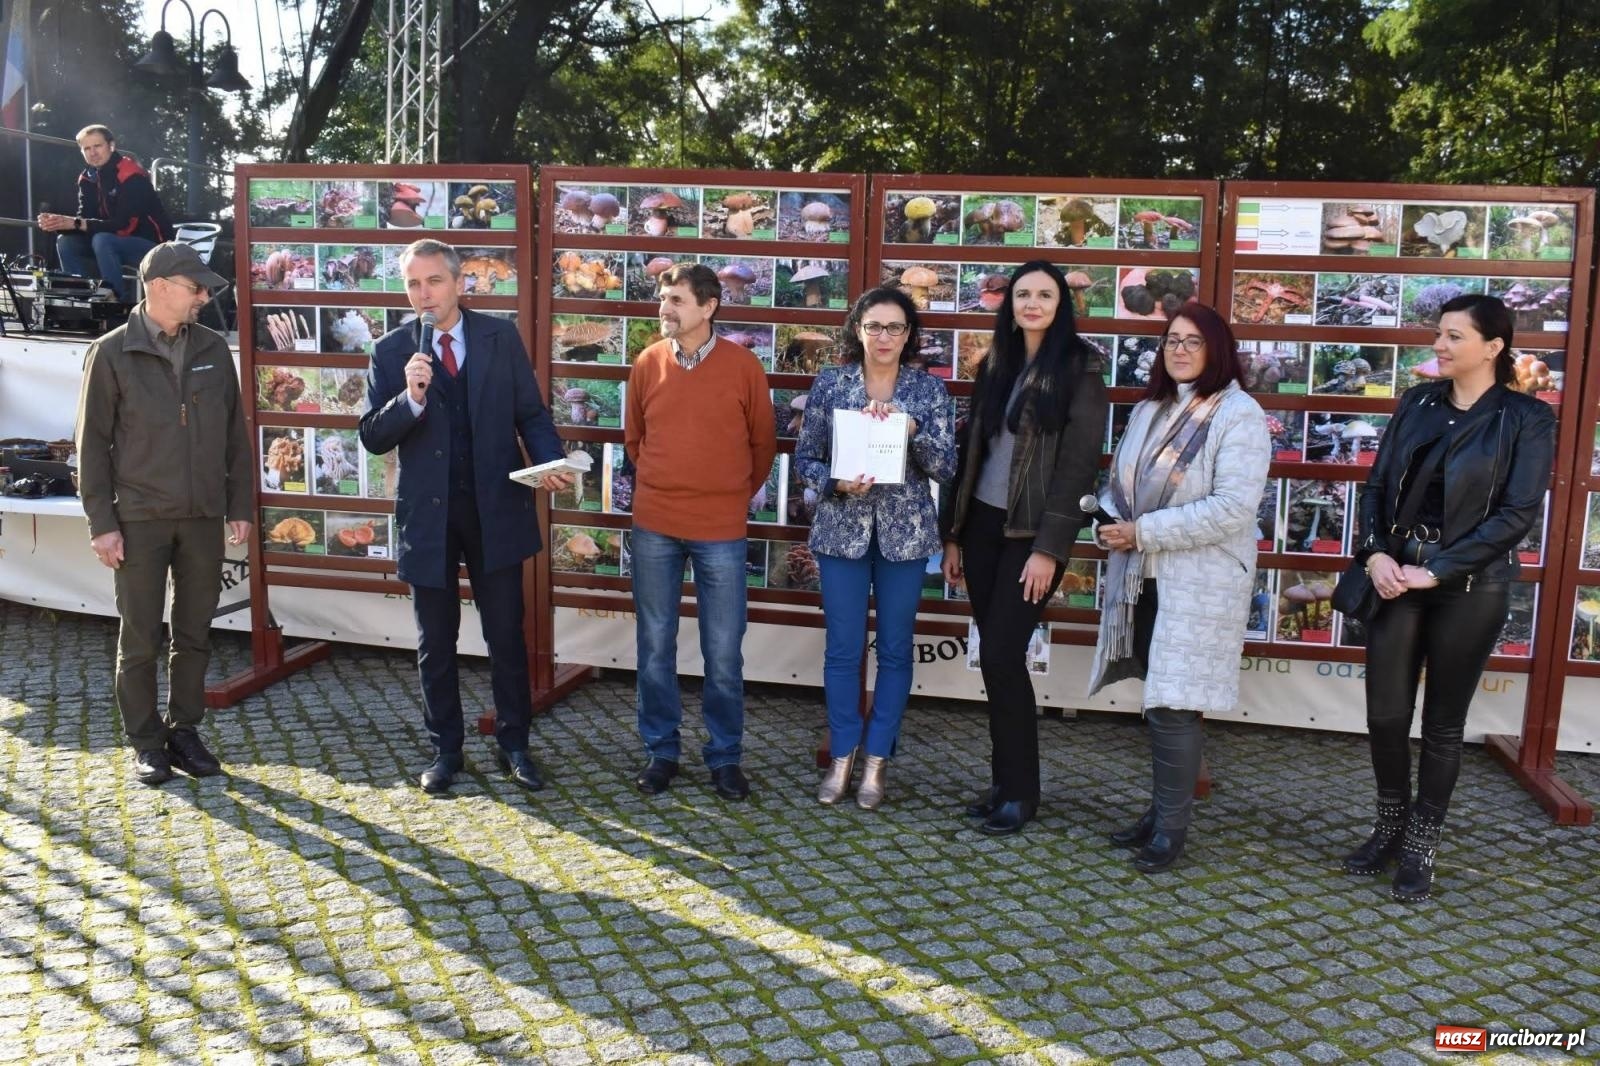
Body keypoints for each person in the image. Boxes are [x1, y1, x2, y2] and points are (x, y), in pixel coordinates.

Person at [1345, 293, 1555, 902]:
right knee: (1385, 715)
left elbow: (1516, 514)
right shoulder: (1417, 403)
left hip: (1471, 587)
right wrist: (1375, 554)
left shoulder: (1526, 417)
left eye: (1454, 336)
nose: (1439, 345)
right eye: (1439, 333)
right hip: (1395, 576)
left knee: (1442, 724)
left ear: (1493, 347)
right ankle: (1390, 823)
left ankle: (1421, 842)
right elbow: (1376, 486)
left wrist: (1435, 570)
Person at [358, 239, 573, 796]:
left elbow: (530, 413)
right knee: (436, 640)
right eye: (413, 284)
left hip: (494, 508)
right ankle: (446, 750)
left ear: (459, 283)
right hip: (429, 517)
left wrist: (550, 462)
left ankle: (515, 744)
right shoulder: (391, 351)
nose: (423, 293)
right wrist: (410, 397)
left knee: (506, 634)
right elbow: (373, 436)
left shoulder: (499, 337)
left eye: (434, 281)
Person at [1087, 302, 1271, 873]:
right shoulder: (1150, 408)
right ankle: (1160, 812)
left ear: (1217, 349)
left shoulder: (1238, 413)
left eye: (1194, 341)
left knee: (1174, 705)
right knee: (1161, 697)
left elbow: (1233, 507)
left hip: (1200, 578)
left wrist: (1142, 532)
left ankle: (1171, 829)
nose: (1180, 350)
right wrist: (1109, 522)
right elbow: (1121, 486)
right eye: (1172, 340)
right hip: (1145, 575)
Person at [939, 260, 1109, 836]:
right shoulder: (998, 362)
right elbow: (972, 454)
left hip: (1031, 536)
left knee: (1003, 654)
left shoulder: (1081, 368)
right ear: (1009, 304)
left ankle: (1021, 793)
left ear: (1061, 305)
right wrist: (954, 534)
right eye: (1022, 294)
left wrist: (1049, 548)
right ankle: (1003, 783)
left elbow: (1079, 467)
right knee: (995, 657)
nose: (1032, 303)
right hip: (982, 528)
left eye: (1044, 295)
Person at [73, 243, 248, 785]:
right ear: (159, 287)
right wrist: (102, 524)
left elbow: (235, 435)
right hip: (139, 518)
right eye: (195, 287)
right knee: (141, 638)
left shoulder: (214, 348)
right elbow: (91, 445)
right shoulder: (110, 352)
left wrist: (239, 504)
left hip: (202, 516)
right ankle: (147, 743)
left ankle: (185, 731)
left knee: (194, 633)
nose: (204, 296)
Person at [793, 287, 956, 809]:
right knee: (843, 649)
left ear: (909, 335)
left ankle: (878, 759)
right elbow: (805, 458)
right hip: (841, 532)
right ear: (858, 330)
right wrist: (836, 483)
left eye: (895, 327)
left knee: (894, 649)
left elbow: (946, 468)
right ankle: (842, 755)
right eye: (874, 326)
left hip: (905, 537)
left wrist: (914, 431)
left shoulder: (928, 391)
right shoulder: (831, 383)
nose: (884, 337)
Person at [625, 263, 777, 801]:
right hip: (655, 525)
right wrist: (667, 485)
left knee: (724, 650)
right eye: (663, 298)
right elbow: (635, 440)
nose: (665, 308)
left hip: (720, 528)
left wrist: (727, 495)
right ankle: (661, 752)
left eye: (677, 300)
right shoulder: (647, 362)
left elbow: (762, 445)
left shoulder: (743, 366)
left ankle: (725, 757)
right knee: (654, 645)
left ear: (709, 306)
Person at [37, 125, 174, 304]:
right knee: (65, 241)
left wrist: (75, 223)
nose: (92, 153)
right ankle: (80, 300)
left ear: (111, 145)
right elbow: (85, 220)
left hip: (155, 247)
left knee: (102, 239)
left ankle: (113, 302)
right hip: (111, 243)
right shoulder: (87, 178)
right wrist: (58, 223)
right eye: (86, 148)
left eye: (97, 146)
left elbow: (123, 226)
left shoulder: (131, 174)